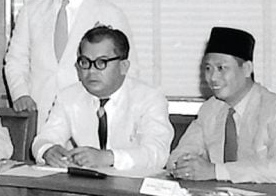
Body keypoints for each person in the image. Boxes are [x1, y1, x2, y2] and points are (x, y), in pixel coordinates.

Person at [4, 0, 132, 128]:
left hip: (89, 116)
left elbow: (128, 70)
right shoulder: (31, 11)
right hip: (38, 114)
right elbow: (15, 61)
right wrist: (21, 94)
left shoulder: (110, 13)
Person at [168, 27, 276, 185]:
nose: (213, 77)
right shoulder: (210, 109)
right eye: (208, 69)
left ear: (247, 69)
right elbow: (180, 154)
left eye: (222, 68)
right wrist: (182, 166)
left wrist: (215, 171)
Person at [32, 26, 172, 171]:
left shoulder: (149, 98)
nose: (91, 71)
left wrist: (108, 158)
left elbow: (157, 154)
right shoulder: (68, 97)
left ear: (123, 66)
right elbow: (44, 139)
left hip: (132, 186)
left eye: (101, 63)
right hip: (85, 187)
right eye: (85, 62)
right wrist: (47, 150)